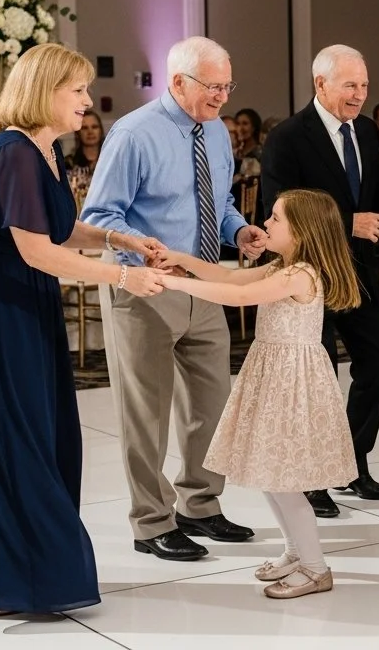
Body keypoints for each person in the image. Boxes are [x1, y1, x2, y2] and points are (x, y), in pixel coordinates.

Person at [0, 43, 168, 615]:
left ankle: (4, 569)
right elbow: (36, 252)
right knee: (12, 431)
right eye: (77, 90)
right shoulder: (13, 150)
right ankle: (8, 574)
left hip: (20, 298)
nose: (87, 101)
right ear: (44, 92)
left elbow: (56, 228)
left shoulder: (43, 150)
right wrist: (120, 278)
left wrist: (120, 238)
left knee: (35, 426)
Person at [82, 36, 267, 560]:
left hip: (204, 282)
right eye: (213, 86)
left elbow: (220, 202)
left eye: (228, 85)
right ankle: (151, 522)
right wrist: (140, 252)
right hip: (144, 288)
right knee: (146, 413)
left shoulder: (216, 132)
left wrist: (240, 232)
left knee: (211, 405)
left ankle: (201, 506)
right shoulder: (133, 134)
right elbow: (99, 218)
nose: (223, 97)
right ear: (179, 81)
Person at [154, 190, 362, 600]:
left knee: (285, 480)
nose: (266, 223)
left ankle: (317, 568)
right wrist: (181, 262)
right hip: (272, 375)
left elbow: (237, 297)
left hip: (292, 384)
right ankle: (295, 552)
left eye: (275, 218)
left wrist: (168, 281)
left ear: (301, 232)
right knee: (271, 474)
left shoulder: (300, 274)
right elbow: (228, 277)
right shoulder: (281, 266)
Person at [261, 44, 379, 518]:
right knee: (318, 377)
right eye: (350, 85)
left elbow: (374, 194)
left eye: (364, 85)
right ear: (320, 84)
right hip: (309, 275)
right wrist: (348, 223)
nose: (360, 94)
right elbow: (281, 206)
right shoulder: (287, 137)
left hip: (358, 271)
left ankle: (350, 462)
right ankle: (312, 478)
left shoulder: (364, 131)